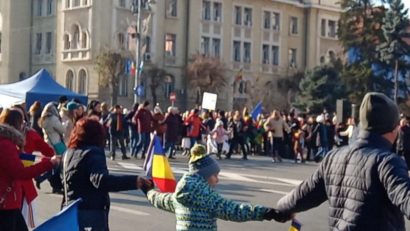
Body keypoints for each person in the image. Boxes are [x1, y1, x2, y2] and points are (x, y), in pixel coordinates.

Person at [276, 92, 410, 230]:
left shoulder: (333, 157)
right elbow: (406, 198)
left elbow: (301, 197)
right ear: (394, 129)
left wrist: (282, 207)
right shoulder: (388, 162)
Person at [144, 144, 289, 230]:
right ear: (204, 175)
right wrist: (267, 213)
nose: (217, 180)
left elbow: (160, 199)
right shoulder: (207, 198)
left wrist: (148, 191)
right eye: (215, 175)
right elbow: (234, 211)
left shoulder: (178, 195)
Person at [62, 117, 150, 230]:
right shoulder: (93, 153)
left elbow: (57, 181)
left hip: (69, 211)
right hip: (90, 213)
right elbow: (102, 181)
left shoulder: (67, 153)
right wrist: (134, 181)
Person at [0, 108, 59, 231]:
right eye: (23, 122)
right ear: (17, 124)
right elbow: (20, 172)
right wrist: (49, 163)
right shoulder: (6, 145)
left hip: (10, 200)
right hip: (7, 203)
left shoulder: (8, 142)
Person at [37, 102, 66, 193]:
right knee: (57, 166)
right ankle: (43, 179)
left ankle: (43, 179)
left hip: (48, 143)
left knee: (52, 165)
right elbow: (62, 130)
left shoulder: (43, 119)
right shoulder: (53, 119)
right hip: (56, 144)